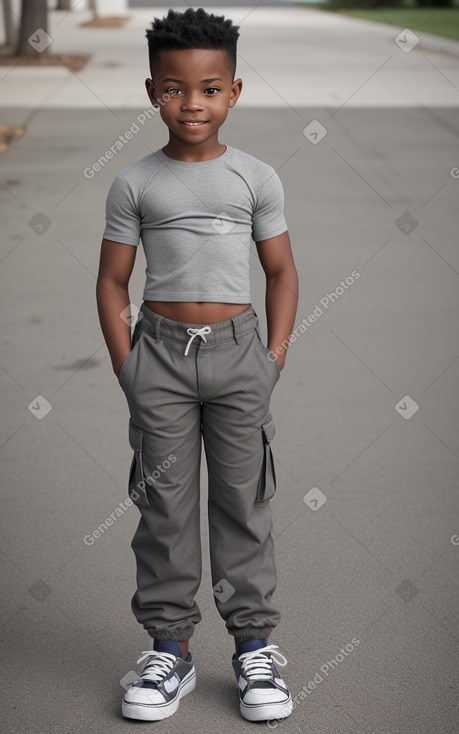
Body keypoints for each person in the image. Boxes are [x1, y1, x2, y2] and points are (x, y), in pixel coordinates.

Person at [96, 6, 298, 724]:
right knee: (164, 509)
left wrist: (270, 358)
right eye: (177, 89)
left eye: (209, 89)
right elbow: (112, 282)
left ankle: (252, 648)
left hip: (240, 357)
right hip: (157, 360)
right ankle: (169, 650)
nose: (193, 104)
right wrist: (129, 368)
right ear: (153, 91)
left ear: (234, 92)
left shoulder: (255, 178)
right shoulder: (134, 184)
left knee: (243, 504)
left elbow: (280, 272)